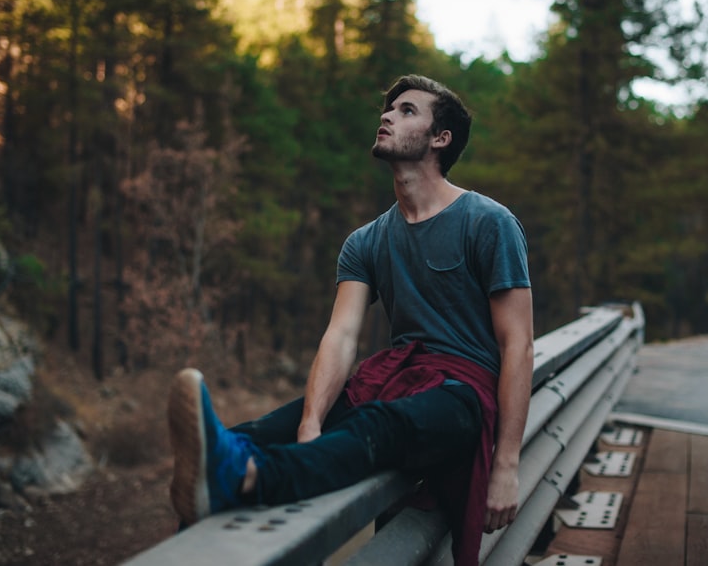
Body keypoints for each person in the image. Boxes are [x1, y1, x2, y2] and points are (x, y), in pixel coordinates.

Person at [167, 74, 533, 565]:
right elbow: (341, 336)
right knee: (253, 433)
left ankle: (253, 478)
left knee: (375, 424)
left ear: (439, 138)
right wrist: (310, 422)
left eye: (407, 111)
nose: (387, 116)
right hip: (398, 378)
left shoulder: (488, 222)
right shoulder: (365, 240)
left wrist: (506, 465)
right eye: (389, 109)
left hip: (461, 395)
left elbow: (518, 345)